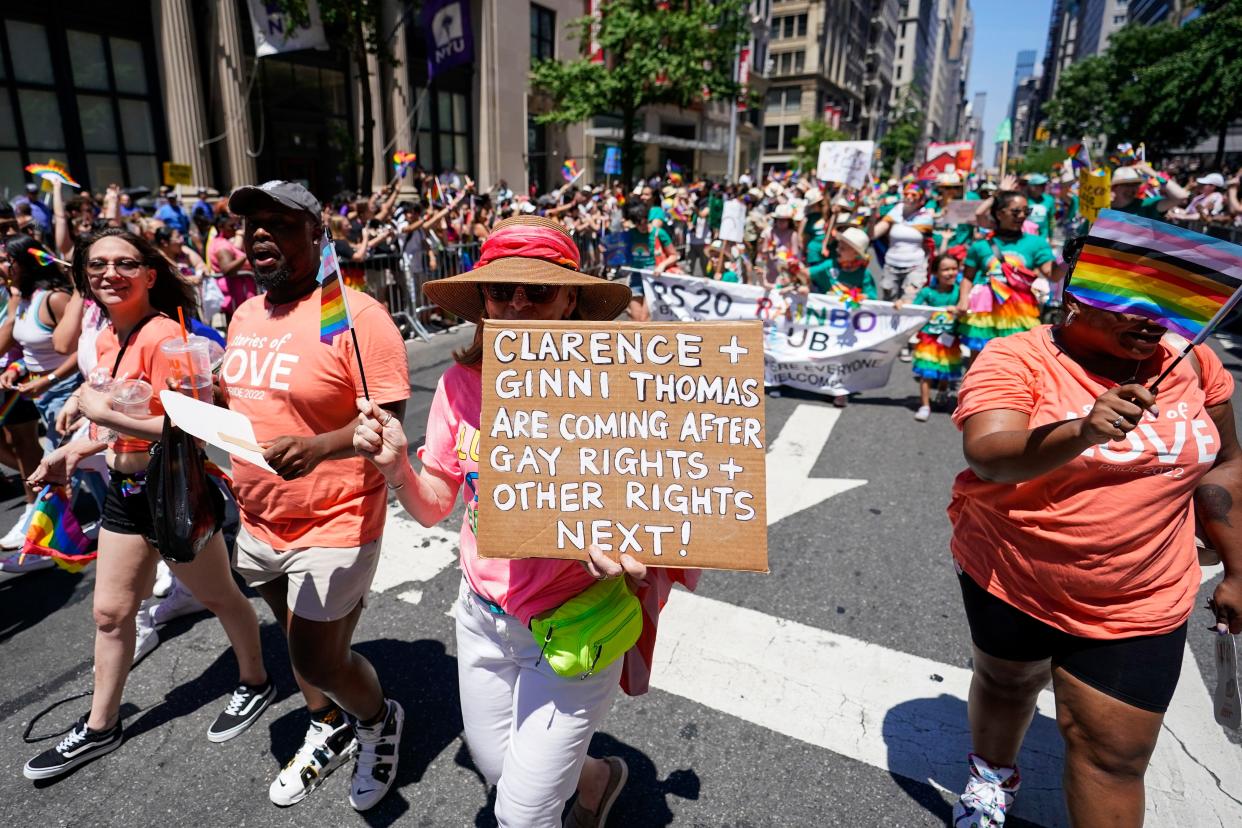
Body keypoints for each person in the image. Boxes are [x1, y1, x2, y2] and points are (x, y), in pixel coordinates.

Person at [353, 215, 645, 828]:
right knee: (495, 768)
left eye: (537, 290)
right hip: (482, 618)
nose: (517, 302)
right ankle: (596, 777)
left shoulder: (617, 388)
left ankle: (566, 786)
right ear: (483, 301)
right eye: (500, 289)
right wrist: (398, 468)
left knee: (520, 814)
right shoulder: (461, 385)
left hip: (574, 624)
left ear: (571, 300)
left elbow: (672, 501)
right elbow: (437, 503)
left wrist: (630, 543)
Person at [946, 241, 1242, 827]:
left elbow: (1227, 462)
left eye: (1163, 302)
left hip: (1144, 594)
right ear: (1074, 296)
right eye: (1127, 301)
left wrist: (1237, 567)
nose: (1150, 319)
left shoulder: (1194, 362)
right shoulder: (1016, 358)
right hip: (1012, 573)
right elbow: (989, 457)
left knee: (1113, 754)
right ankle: (991, 776)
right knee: (1006, 683)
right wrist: (1082, 430)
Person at [21, 227, 272, 780]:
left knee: (221, 597)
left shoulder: (165, 338)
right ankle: (100, 726)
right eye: (97, 265)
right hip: (124, 492)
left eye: (124, 264)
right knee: (110, 613)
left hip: (175, 491)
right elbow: (124, 431)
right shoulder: (110, 337)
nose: (109, 273)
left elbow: (193, 427)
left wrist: (102, 415)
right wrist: (77, 447)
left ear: (149, 275)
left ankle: (256, 679)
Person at [222, 181, 410, 811]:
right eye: (252, 227)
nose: (260, 236)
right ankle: (326, 723)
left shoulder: (359, 317)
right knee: (295, 635)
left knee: (319, 657)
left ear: (317, 236)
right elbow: (245, 400)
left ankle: (378, 720)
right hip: (257, 517)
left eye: (279, 224)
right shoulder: (245, 312)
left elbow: (386, 422)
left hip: (336, 518)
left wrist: (321, 447)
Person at [958, 191, 1054, 353]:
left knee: (1016, 361)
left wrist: (1069, 257)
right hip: (985, 314)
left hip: (1019, 313)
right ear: (999, 214)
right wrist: (963, 300)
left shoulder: (1036, 243)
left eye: (1026, 211)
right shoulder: (980, 246)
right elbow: (968, 278)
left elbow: (1053, 274)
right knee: (980, 361)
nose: (1022, 215)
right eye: (1016, 211)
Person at [0, 243, 48, 569]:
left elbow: (5, 341)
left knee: (27, 446)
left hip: (26, 377)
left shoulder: (28, 294)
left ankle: (41, 531)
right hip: (15, 373)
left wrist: (15, 299)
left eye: (7, 257)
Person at [898, 253, 961, 422]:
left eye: (954, 269)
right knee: (926, 373)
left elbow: (968, 306)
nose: (950, 273)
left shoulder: (960, 291)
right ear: (935, 273)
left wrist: (959, 308)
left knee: (946, 370)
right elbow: (914, 307)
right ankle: (925, 405)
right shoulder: (928, 292)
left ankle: (942, 391)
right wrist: (902, 304)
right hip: (929, 340)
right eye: (945, 269)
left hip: (950, 339)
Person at [872, 183, 934, 301]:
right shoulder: (895, 212)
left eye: (914, 194)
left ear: (921, 198)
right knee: (889, 302)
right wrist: (872, 216)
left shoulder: (925, 217)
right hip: (892, 265)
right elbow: (873, 235)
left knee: (908, 303)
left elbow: (929, 245)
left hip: (915, 266)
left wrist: (926, 267)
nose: (909, 197)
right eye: (906, 193)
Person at [207, 211, 255, 320]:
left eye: (236, 225)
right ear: (221, 227)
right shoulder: (222, 246)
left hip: (238, 294)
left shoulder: (222, 241)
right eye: (231, 226)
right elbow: (226, 269)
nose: (235, 228)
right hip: (236, 295)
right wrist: (246, 257)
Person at [1021, 174, 1056, 241]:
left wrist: (1051, 237)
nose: (1044, 187)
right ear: (1032, 186)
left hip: (1043, 238)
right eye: (1041, 185)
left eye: (1044, 185)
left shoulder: (1049, 200)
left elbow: (1051, 220)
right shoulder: (1024, 199)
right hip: (1026, 237)